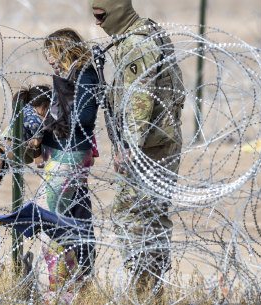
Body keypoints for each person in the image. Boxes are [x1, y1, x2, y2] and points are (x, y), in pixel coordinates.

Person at [91, 0, 185, 300]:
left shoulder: (136, 42)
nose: (97, 24)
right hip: (159, 139)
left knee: (131, 214)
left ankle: (145, 286)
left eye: (101, 17)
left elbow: (139, 97)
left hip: (149, 146)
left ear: (116, 10)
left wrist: (130, 145)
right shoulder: (147, 29)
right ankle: (151, 288)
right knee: (152, 215)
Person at [40, 28, 99, 292]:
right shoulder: (69, 75)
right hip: (62, 153)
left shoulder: (85, 75)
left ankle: (62, 287)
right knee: (72, 215)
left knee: (52, 219)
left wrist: (53, 122)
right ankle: (76, 283)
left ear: (65, 49)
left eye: (51, 53)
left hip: (71, 152)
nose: (49, 59)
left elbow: (84, 117)